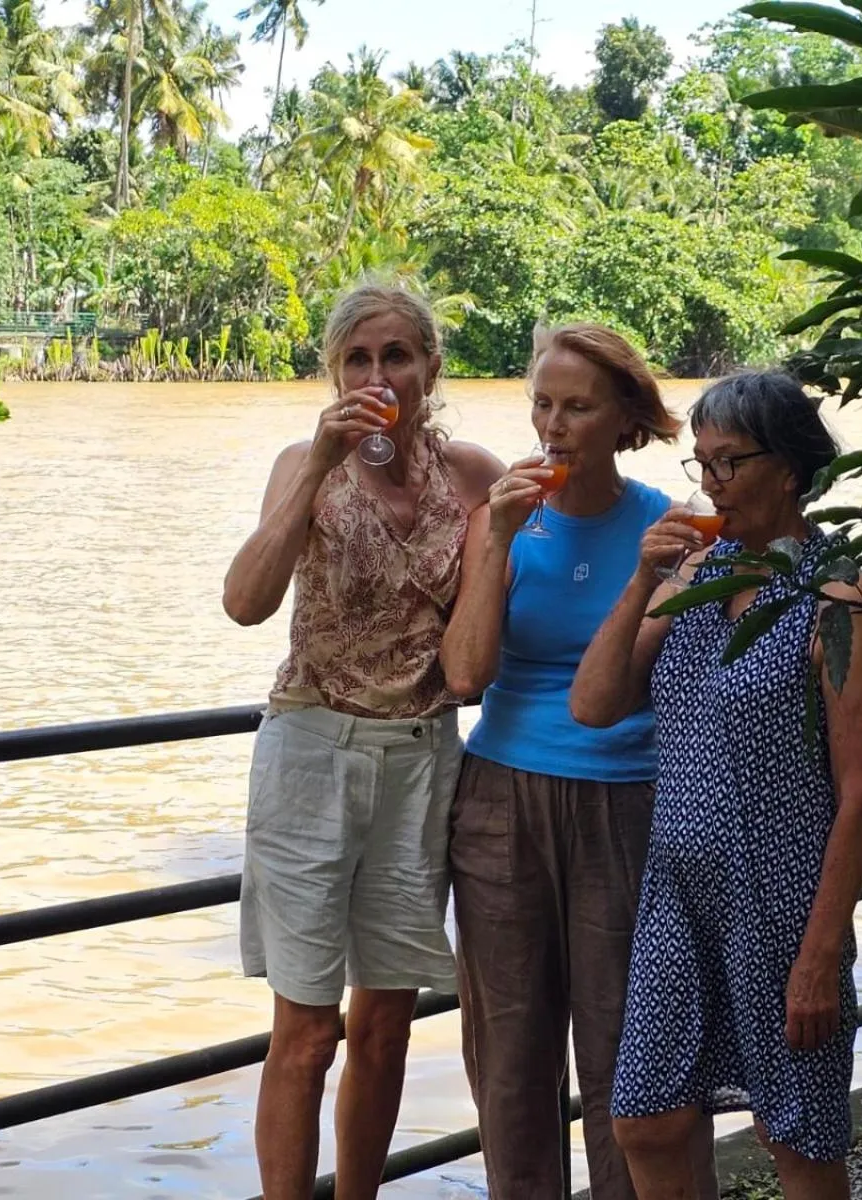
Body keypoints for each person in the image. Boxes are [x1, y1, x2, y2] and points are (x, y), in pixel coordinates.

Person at [569, 371, 862, 1200]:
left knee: (799, 1135)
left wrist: (821, 954)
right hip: (678, 890)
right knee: (644, 1116)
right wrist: (643, 580)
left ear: (787, 468)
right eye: (699, 465)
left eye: (728, 464)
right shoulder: (692, 576)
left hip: (783, 899)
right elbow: (594, 705)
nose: (710, 484)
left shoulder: (837, 593)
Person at [222, 283, 502, 1200]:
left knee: (386, 1027)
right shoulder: (304, 463)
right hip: (310, 752)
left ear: (430, 367)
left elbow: (499, 619)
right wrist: (318, 466)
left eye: (396, 356)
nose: (378, 375)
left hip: (423, 758)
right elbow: (244, 602)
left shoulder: (470, 477)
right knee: (306, 1034)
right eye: (358, 359)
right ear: (333, 371)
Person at [440, 323, 718, 1199]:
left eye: (577, 407)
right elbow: (463, 675)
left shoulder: (665, 528)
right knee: (511, 1055)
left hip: (627, 802)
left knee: (624, 1052)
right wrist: (496, 541)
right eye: (541, 404)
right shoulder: (505, 519)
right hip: (501, 802)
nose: (552, 426)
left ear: (625, 418)